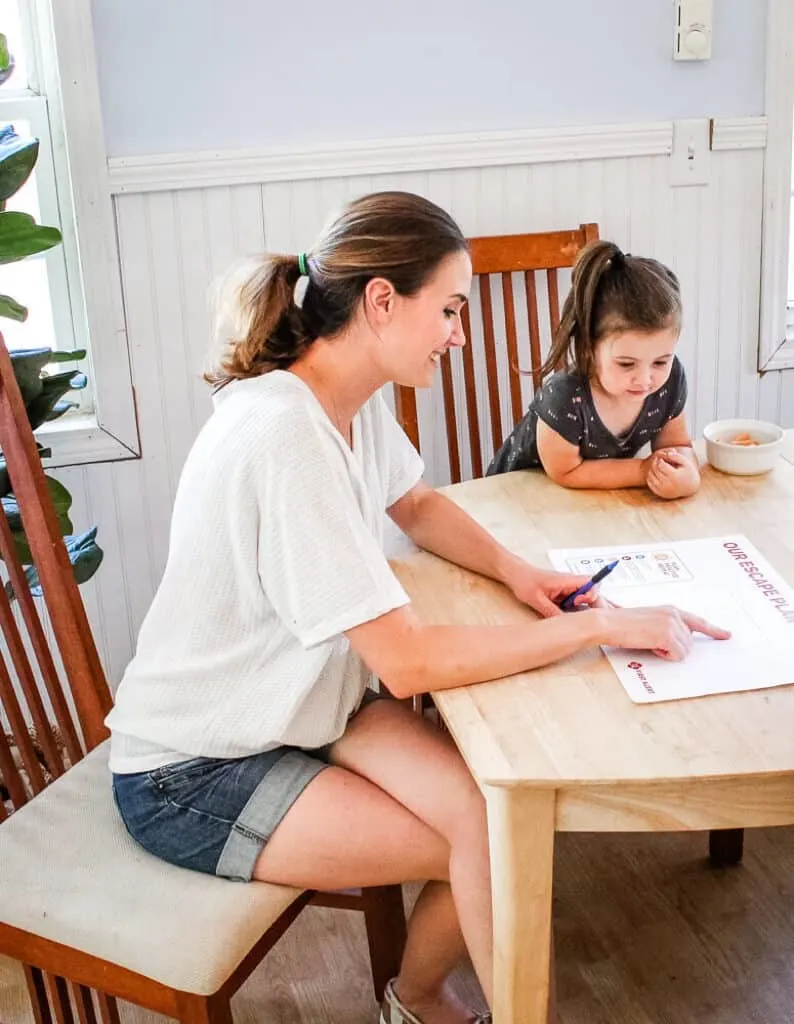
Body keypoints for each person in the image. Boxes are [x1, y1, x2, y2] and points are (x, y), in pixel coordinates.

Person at [106, 193, 728, 1024]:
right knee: (488, 841)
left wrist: (519, 573)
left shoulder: (337, 403)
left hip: (304, 703)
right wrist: (602, 624)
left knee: (487, 817)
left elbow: (419, 506)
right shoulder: (285, 436)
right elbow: (404, 662)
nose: (458, 335)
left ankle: (415, 999)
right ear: (381, 301)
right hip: (196, 767)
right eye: (450, 309)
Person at [487, 241, 700, 500]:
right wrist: (643, 470)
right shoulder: (565, 397)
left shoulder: (670, 381)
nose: (645, 380)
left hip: (589, 504)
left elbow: (675, 445)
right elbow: (566, 471)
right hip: (516, 501)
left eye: (660, 362)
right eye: (626, 364)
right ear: (589, 347)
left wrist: (688, 474)